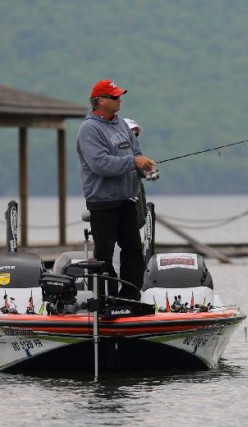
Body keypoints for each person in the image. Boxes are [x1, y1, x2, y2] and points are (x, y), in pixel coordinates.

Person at [76, 80, 157, 299]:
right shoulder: (89, 129)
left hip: (127, 199)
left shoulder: (121, 124)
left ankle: (129, 297)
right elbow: (100, 165)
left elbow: (136, 152)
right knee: (105, 254)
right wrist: (134, 162)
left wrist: (144, 168)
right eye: (114, 97)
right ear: (100, 101)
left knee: (133, 251)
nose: (119, 100)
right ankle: (106, 299)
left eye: (119, 96)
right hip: (103, 202)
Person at [124, 117, 148, 228]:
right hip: (122, 189)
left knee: (140, 220)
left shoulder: (135, 147)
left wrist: (148, 171)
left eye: (136, 134)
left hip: (134, 184)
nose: (135, 136)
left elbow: (140, 165)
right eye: (132, 133)